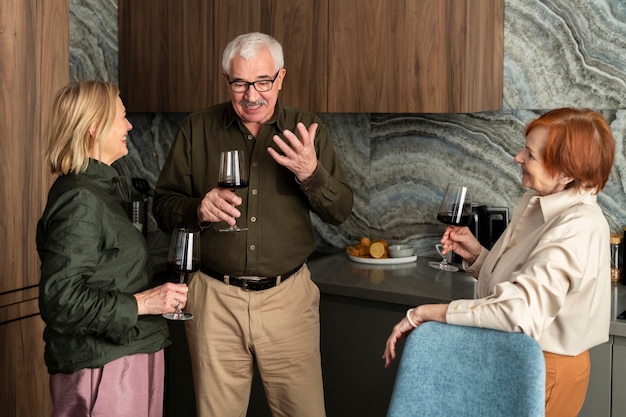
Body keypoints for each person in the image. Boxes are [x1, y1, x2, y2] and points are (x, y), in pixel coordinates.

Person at [152, 32, 353, 416]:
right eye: (240, 83)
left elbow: (341, 211)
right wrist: (199, 208)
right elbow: (163, 206)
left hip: (288, 299)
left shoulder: (306, 130)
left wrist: (311, 173)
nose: (251, 95)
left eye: (263, 82)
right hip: (214, 299)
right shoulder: (197, 130)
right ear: (227, 80)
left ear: (281, 78)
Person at [383, 108, 614, 417]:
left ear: (566, 173)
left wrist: (426, 314)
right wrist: (478, 255)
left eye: (530, 155)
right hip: (520, 357)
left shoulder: (575, 226)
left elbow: (518, 311)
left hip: (544, 368)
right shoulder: (543, 204)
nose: (518, 156)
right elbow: (524, 283)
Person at [36, 80, 189, 417]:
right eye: (122, 116)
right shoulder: (80, 199)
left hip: (125, 354)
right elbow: (60, 299)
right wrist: (144, 303)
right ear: (94, 126)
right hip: (103, 366)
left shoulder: (99, 189)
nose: (130, 125)